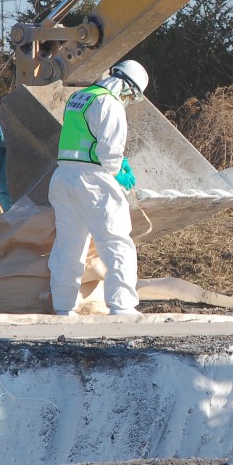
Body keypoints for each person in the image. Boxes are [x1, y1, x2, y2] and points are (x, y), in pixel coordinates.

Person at [48, 59, 149, 316]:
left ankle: (63, 306)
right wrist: (119, 173)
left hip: (63, 176)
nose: (130, 100)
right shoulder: (110, 103)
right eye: (133, 96)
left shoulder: (81, 97)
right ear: (130, 88)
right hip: (93, 180)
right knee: (116, 241)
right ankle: (122, 305)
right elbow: (110, 153)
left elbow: (85, 137)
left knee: (69, 246)